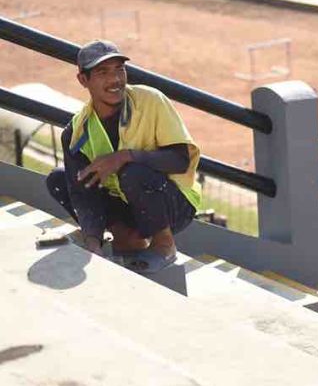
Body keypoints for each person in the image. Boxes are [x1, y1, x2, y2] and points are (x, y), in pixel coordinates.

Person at [46, 40, 201, 273]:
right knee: (59, 180)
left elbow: (180, 161)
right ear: (83, 80)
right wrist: (93, 242)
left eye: (120, 69)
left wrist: (124, 156)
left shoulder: (151, 100)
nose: (115, 79)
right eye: (103, 72)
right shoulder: (77, 132)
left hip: (173, 203)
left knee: (132, 171)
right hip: (130, 203)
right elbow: (82, 194)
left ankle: (164, 245)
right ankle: (126, 238)